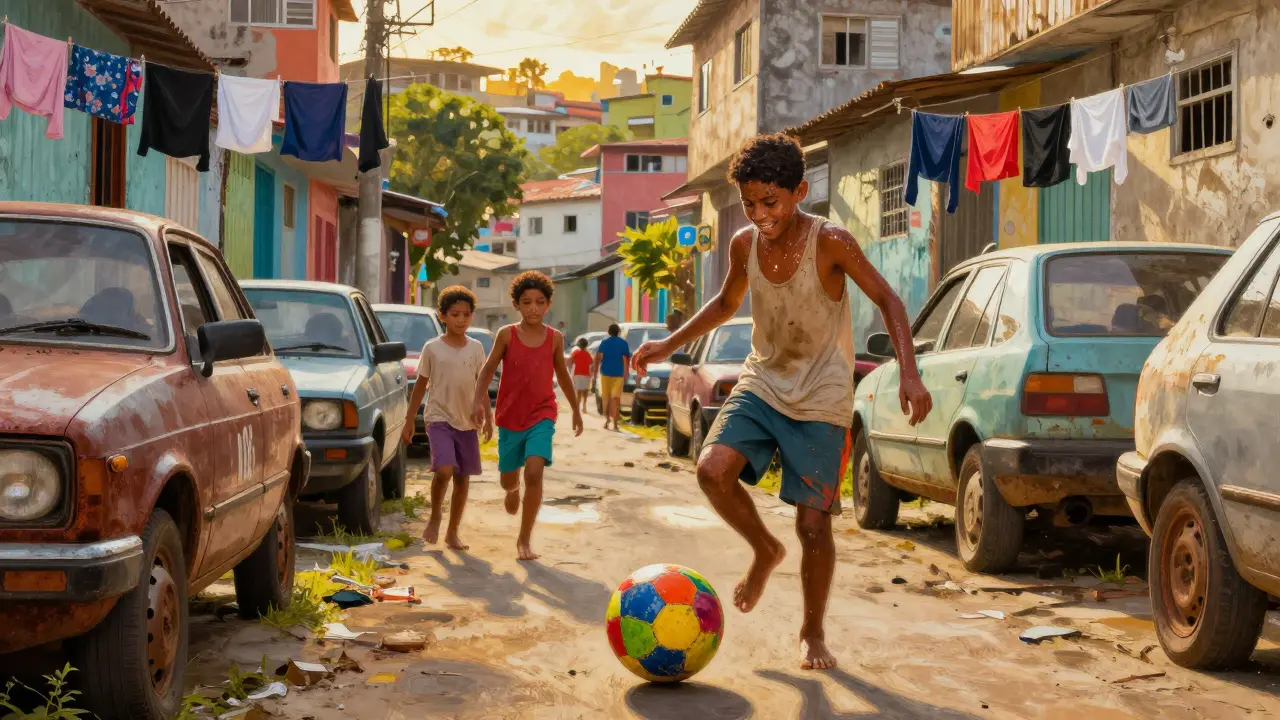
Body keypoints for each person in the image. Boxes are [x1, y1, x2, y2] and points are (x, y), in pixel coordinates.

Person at [632, 133, 933, 671]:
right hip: (764, 381)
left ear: (799, 192)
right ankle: (765, 551)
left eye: (770, 202)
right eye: (749, 203)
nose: (759, 214)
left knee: (814, 525)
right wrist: (667, 344)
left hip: (822, 393)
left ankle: (812, 632)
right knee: (711, 469)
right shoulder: (744, 245)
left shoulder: (832, 241)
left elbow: (888, 298)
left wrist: (909, 372)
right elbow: (726, 303)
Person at [473, 271, 584, 561]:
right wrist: (479, 403)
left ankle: (524, 540)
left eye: (539, 302)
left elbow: (563, 375)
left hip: (542, 413)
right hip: (510, 417)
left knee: (534, 471)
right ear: (517, 305)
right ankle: (512, 488)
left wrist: (576, 409)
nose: (533, 308)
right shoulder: (507, 335)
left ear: (547, 305)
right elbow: (487, 370)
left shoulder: (555, 339)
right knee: (509, 479)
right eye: (526, 302)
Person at [400, 285, 489, 551]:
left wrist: (489, 417)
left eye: (466, 314)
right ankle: (436, 515)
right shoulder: (432, 348)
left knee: (462, 478)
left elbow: (481, 384)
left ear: (472, 316)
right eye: (454, 314)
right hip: (439, 417)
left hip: (467, 421)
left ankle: (453, 532)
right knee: (444, 470)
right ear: (442, 316)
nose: (461, 320)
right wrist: (408, 420)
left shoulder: (475, 348)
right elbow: (420, 384)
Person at [593, 324, 631, 431]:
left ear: (609, 332)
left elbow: (597, 358)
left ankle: (607, 420)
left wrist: (595, 373)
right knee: (615, 398)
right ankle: (614, 423)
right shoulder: (623, 343)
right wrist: (626, 374)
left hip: (605, 373)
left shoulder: (604, 343)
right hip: (618, 374)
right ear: (618, 332)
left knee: (607, 398)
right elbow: (626, 360)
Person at [570, 337, 593, 414]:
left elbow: (571, 361)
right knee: (585, 391)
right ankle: (584, 406)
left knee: (578, 392)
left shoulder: (575, 353)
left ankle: (577, 407)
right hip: (586, 374)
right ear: (586, 345)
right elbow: (591, 363)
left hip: (577, 374)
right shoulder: (588, 354)